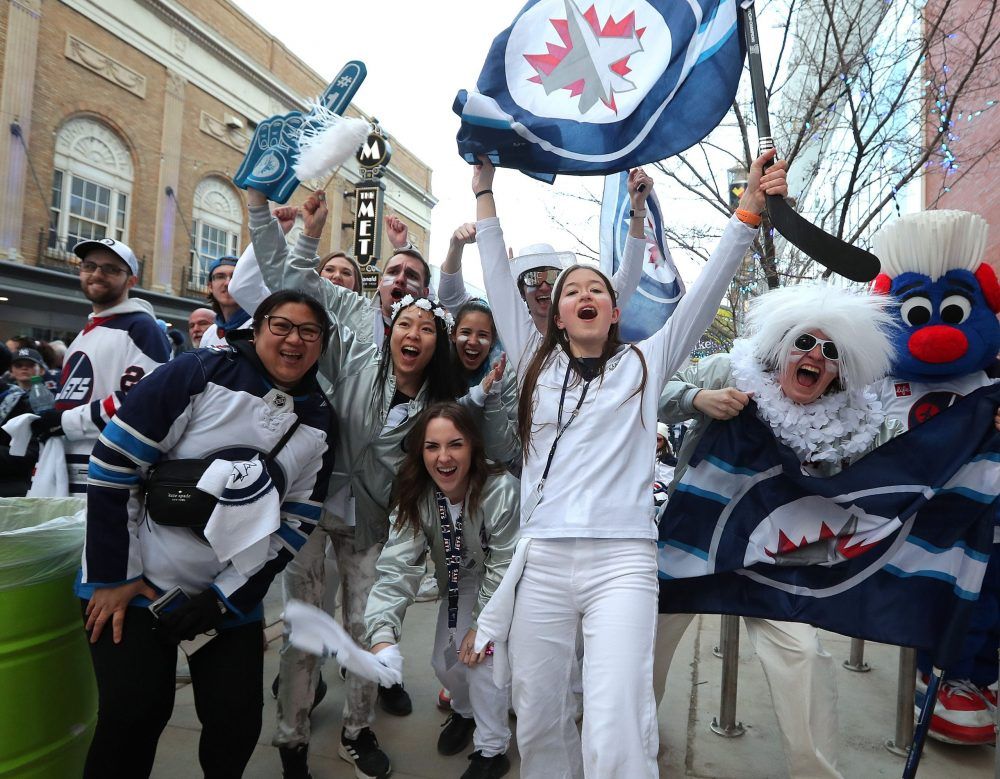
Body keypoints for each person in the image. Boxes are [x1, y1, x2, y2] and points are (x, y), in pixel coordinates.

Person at [469, 150, 787, 778]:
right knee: (536, 715)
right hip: (543, 561)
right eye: (571, 292)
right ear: (556, 316)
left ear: (614, 310)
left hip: (623, 561)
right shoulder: (536, 363)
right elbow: (496, 273)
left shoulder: (646, 363)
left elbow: (707, 289)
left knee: (615, 718)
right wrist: (484, 190)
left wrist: (747, 210)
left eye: (598, 290)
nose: (585, 295)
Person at [242, 185, 467, 779]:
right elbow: (295, 287)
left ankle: (358, 730)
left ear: (436, 342)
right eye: (404, 323)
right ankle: (291, 739)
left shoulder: (438, 409)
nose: (412, 334)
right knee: (302, 633)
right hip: (310, 511)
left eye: (426, 327)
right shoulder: (351, 354)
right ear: (388, 329)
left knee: (368, 630)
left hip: (374, 524)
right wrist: (308, 231)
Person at [78, 289, 335, 778]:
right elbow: (113, 465)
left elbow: (297, 521)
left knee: (236, 722)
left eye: (309, 332)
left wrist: (224, 599)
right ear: (256, 329)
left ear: (322, 344)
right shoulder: (198, 372)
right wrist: (115, 577)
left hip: (226, 601)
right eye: (281, 326)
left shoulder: (320, 420)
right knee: (132, 718)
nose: (293, 340)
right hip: (132, 586)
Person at [654, 283, 900, 778]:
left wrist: (978, 431)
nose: (816, 356)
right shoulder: (729, 370)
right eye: (805, 343)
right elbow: (650, 392)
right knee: (644, 648)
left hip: (777, 558)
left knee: (804, 656)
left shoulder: (853, 421)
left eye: (830, 352)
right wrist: (696, 397)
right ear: (782, 346)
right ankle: (624, 743)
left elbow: (901, 458)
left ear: (837, 369)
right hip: (693, 544)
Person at [365, 402, 518, 779]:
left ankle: (492, 748)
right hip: (461, 579)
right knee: (444, 662)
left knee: (480, 658)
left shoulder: (501, 489)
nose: (444, 457)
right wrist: (382, 633)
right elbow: (397, 566)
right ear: (420, 452)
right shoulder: (416, 496)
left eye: (456, 444)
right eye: (432, 446)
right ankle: (465, 713)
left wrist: (480, 626)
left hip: (512, 584)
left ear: (473, 448)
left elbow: (504, 564)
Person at [30, 238, 171, 494]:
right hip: (66, 468)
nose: (97, 274)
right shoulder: (85, 334)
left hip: (109, 472)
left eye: (111, 268)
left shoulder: (142, 328)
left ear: (131, 280)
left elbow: (141, 402)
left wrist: (64, 422)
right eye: (89, 266)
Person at [0, 343, 39, 496]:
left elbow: (29, 453)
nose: (24, 369)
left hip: (7, 491)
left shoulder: (21, 403)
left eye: (30, 365)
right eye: (19, 365)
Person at [199, 256, 251, 349]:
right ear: (210, 286)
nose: (227, 283)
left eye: (234, 276)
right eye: (220, 277)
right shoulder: (210, 333)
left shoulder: (259, 327)